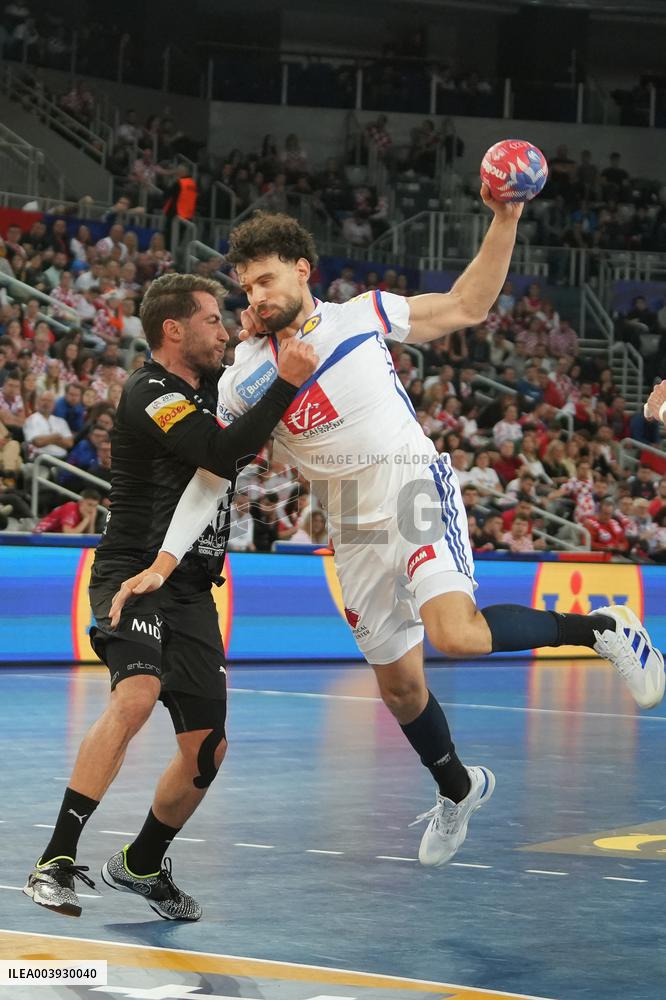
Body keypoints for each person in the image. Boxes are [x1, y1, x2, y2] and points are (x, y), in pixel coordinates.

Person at [111, 205, 664, 875]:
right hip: (350, 525)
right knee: (400, 690)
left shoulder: (360, 316)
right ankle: (459, 789)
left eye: (265, 280)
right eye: (247, 287)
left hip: (410, 485)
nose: (255, 296)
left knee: (454, 634)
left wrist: (505, 215)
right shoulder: (242, 378)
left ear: (302, 270)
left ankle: (602, 628)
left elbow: (466, 304)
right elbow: (212, 475)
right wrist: (165, 562)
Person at [23, 273, 317, 920]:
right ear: (173, 330)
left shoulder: (212, 383)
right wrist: (287, 381)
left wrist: (271, 329)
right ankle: (55, 859)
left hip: (191, 588)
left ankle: (143, 863)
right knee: (137, 695)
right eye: (213, 319)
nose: (223, 327)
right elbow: (218, 451)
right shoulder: (149, 391)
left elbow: (253, 360)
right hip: (133, 573)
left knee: (208, 751)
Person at [33, 489, 101, 534]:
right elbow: (69, 535)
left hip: (56, 536)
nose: (92, 509)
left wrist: (91, 521)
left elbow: (89, 537)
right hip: (41, 535)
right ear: (81, 502)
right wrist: (86, 520)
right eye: (89, 505)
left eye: (95, 506)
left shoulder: (87, 513)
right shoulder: (70, 508)